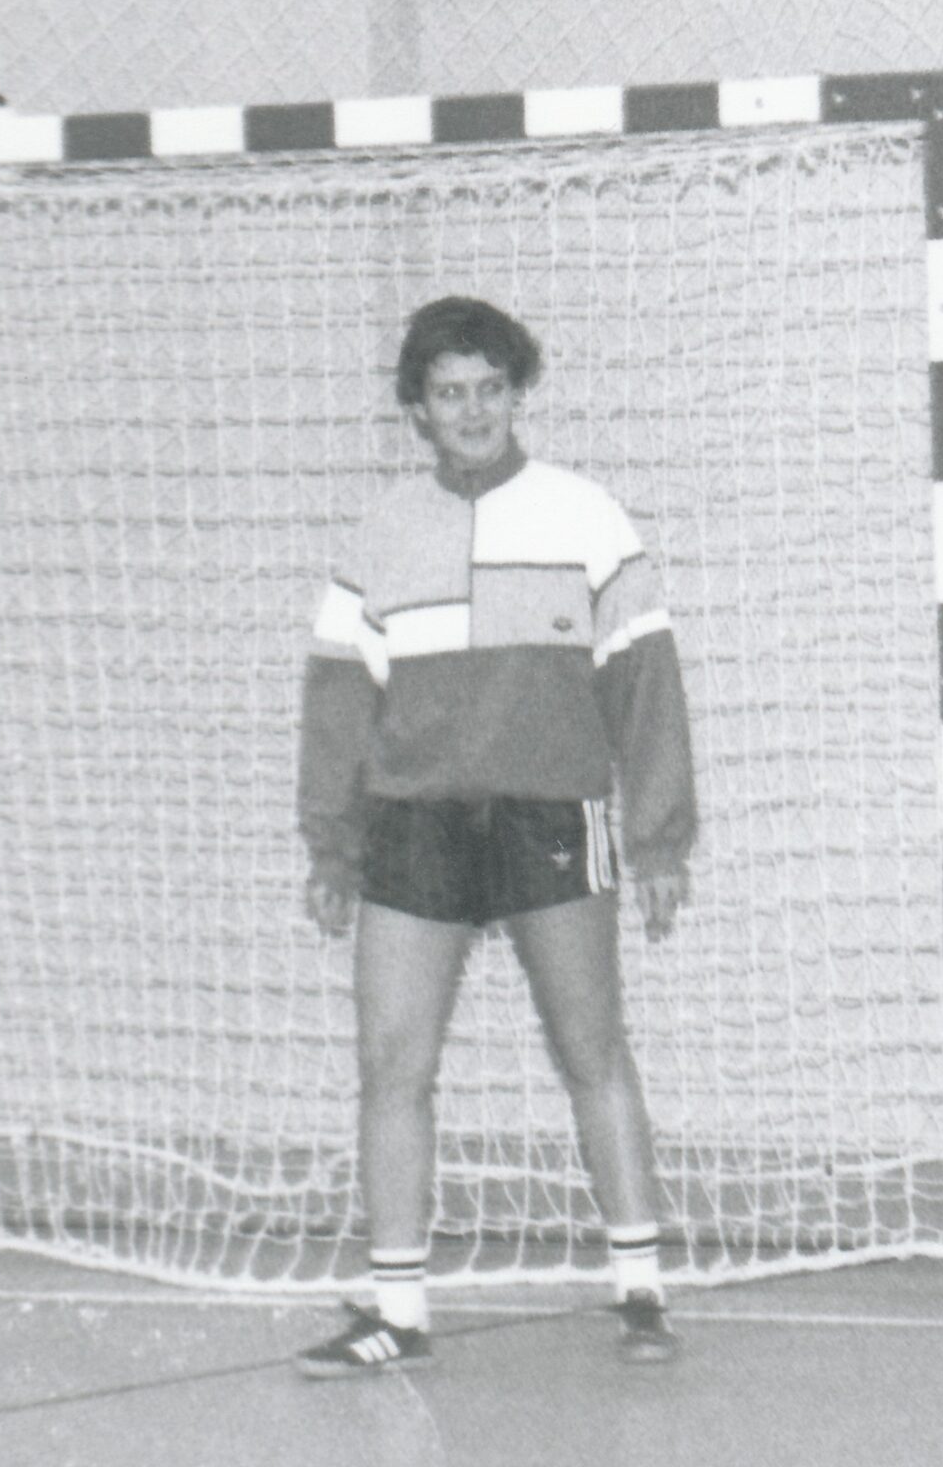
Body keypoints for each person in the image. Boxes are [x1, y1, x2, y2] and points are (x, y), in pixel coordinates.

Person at [294, 295, 696, 1376]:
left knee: (591, 1049)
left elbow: (646, 688)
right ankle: (397, 1315)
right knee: (392, 1063)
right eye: (447, 393)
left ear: (516, 395)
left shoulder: (585, 516)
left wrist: (658, 842)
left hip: (550, 820)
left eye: (488, 389)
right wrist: (332, 846)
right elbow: (339, 704)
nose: (470, 411)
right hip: (412, 827)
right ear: (418, 410)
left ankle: (642, 1293)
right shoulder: (380, 533)